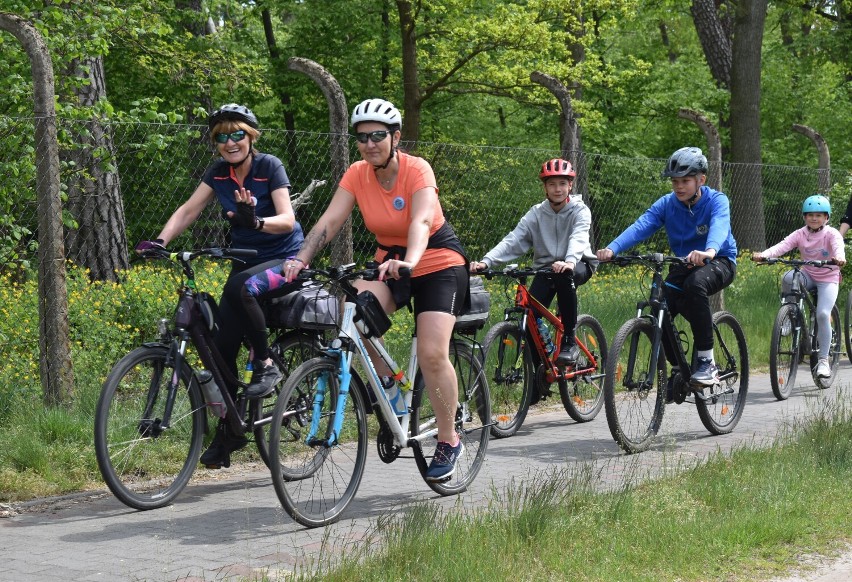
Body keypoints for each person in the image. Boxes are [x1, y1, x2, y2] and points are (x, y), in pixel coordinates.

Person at [284, 98, 469, 482]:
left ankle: (450, 439)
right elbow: (329, 221)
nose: (370, 144)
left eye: (378, 136)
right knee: (348, 308)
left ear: (395, 137)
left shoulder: (418, 169)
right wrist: (300, 258)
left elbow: (420, 221)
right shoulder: (357, 174)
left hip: (437, 262)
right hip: (389, 262)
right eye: (362, 137)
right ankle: (391, 385)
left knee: (433, 352)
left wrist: (410, 261)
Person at [135, 103, 304, 467]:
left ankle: (266, 363)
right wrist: (161, 242)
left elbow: (288, 221)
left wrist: (256, 222)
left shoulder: (268, 166)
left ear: (251, 136)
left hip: (286, 260)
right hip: (245, 260)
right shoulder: (219, 172)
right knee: (219, 347)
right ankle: (230, 433)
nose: (230, 142)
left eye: (237, 134)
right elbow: (189, 209)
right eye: (222, 137)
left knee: (239, 288)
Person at [596, 146, 738, 387]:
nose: (679, 187)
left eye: (685, 181)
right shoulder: (667, 204)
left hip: (719, 260)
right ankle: (677, 369)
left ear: (701, 180)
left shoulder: (717, 200)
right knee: (661, 306)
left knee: (696, 285)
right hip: (684, 264)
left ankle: (707, 362)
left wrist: (710, 250)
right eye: (675, 182)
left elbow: (720, 225)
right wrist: (613, 248)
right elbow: (642, 225)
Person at [470, 158, 597, 374]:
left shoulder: (580, 211)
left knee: (564, 277)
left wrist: (569, 262)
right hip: (546, 268)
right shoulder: (536, 213)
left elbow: (578, 237)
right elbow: (514, 239)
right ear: (545, 187)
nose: (557, 189)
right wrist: (487, 261)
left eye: (562, 184)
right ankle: (539, 380)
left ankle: (569, 340)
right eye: (552, 184)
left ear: (570, 186)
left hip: (578, 263)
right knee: (529, 318)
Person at [752, 194, 846, 377]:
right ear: (804, 217)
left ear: (826, 218)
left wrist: (840, 258)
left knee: (823, 313)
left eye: (819, 215)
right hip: (808, 273)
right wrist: (764, 255)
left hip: (828, 277)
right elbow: (782, 246)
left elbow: (838, 247)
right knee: (788, 277)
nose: (814, 218)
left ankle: (823, 361)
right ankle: (789, 316)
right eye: (810, 215)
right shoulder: (800, 234)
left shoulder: (831, 233)